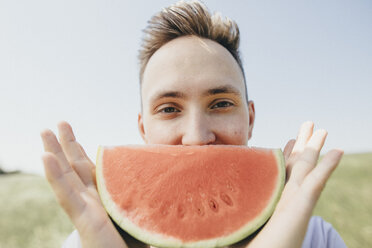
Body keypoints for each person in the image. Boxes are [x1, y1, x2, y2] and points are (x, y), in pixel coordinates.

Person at [40, 1, 347, 248]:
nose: (197, 137)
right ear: (143, 129)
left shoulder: (317, 239)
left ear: (249, 119)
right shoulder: (90, 239)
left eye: (221, 103)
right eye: (170, 108)